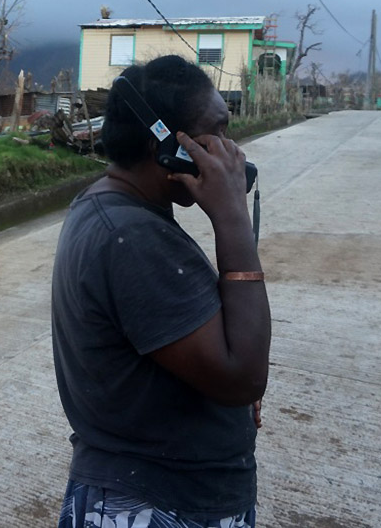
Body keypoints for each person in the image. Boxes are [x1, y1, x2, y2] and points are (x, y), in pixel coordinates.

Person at [52, 55, 272, 527]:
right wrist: (232, 215)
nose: (232, 153)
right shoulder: (133, 238)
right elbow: (244, 378)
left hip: (155, 488)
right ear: (167, 145)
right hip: (160, 501)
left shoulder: (111, 209)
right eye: (218, 132)